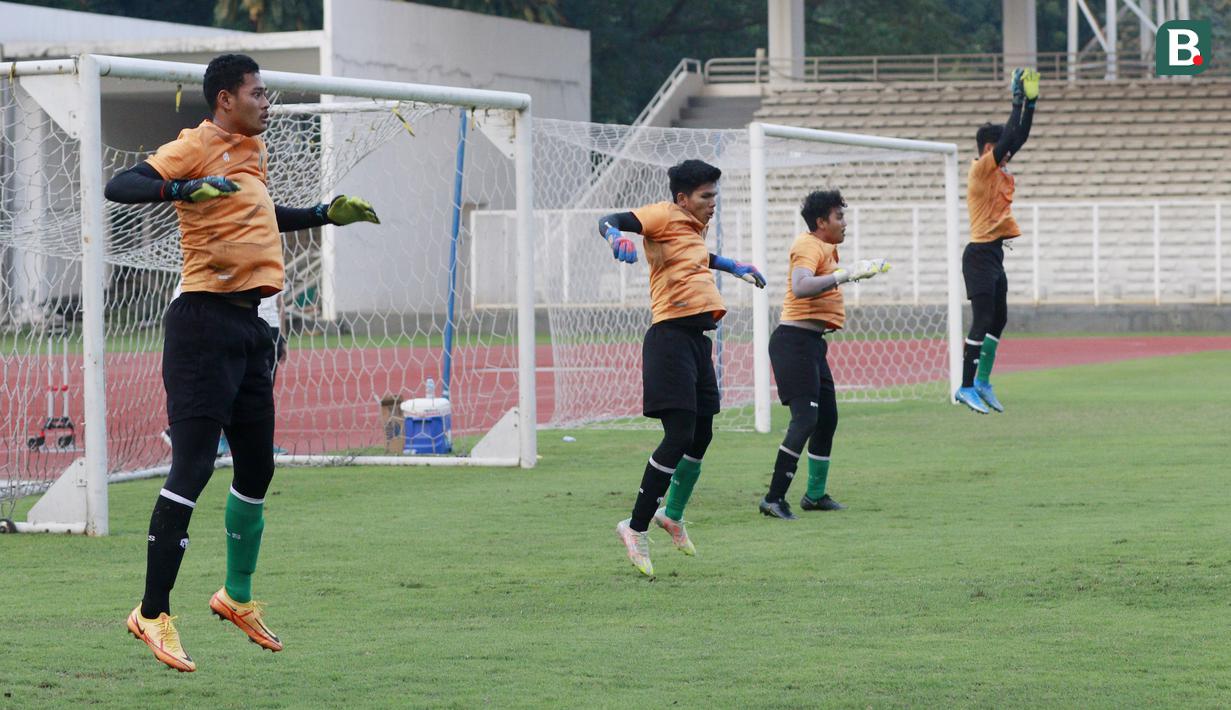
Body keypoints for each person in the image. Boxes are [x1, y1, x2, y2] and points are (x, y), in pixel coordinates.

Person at [105, 53, 378, 672]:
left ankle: (236, 596)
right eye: (258, 93)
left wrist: (321, 214)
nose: (267, 102)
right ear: (226, 98)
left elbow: (255, 215)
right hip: (203, 322)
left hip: (252, 326)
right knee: (194, 466)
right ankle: (151, 612)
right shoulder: (196, 144)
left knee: (257, 469)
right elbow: (119, 185)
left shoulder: (250, 152)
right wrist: (177, 187)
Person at [598, 159, 765, 577]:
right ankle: (635, 526)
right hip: (669, 338)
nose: (714, 203)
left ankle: (671, 514)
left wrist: (733, 267)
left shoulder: (691, 228)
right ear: (682, 198)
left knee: (702, 433)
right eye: (706, 196)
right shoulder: (662, 214)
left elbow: (696, 257)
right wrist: (616, 236)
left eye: (715, 195)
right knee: (677, 436)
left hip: (696, 342)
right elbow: (610, 218)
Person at [757, 190, 889, 520]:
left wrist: (847, 272)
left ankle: (814, 496)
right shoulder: (807, 244)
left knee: (826, 419)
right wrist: (845, 275)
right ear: (821, 222)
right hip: (794, 342)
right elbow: (801, 286)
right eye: (839, 217)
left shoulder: (827, 249)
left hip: (813, 343)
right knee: (806, 420)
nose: (844, 223)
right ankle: (773, 498)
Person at [955, 67, 1039, 414]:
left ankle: (983, 381)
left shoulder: (997, 167)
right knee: (982, 318)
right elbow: (1010, 140)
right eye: (1001, 148)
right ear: (989, 148)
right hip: (977, 255)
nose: (1009, 153)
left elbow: (1018, 137)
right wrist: (1016, 99)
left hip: (993, 255)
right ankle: (965, 385)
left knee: (998, 318)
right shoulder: (980, 169)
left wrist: (1030, 105)